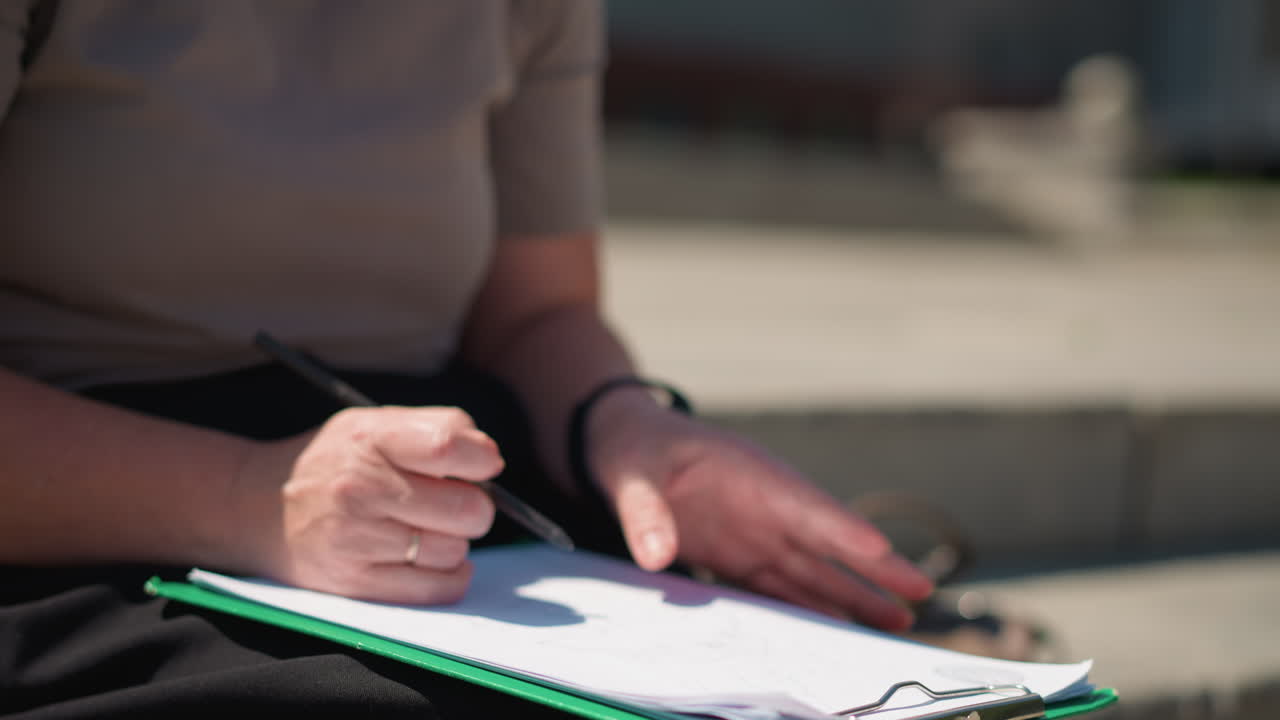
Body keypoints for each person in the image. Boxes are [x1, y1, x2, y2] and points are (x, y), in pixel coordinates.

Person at [0, 2, 932, 717]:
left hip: (435, 505)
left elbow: (538, 311)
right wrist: (253, 494)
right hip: (91, 516)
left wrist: (628, 426)